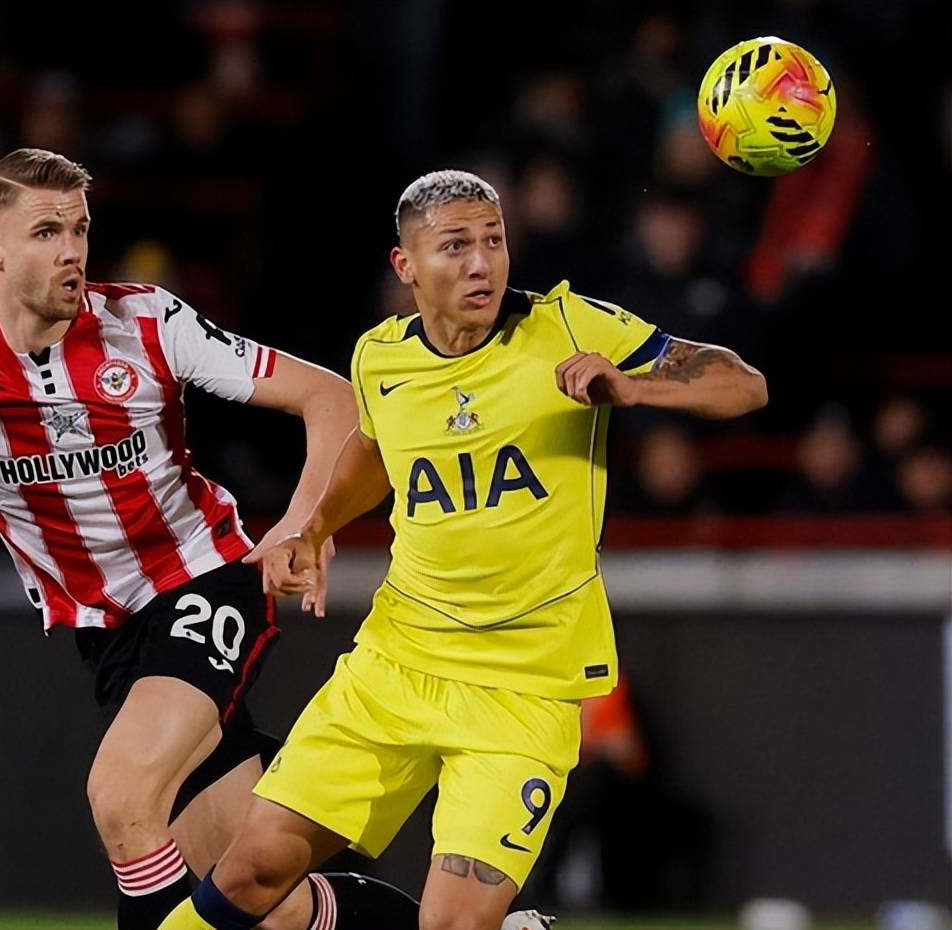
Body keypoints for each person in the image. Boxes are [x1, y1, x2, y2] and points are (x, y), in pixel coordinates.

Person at [0, 148, 418, 930]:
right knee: (264, 902)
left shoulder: (147, 323)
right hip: (111, 635)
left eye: (80, 229)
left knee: (121, 795)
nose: (72, 250)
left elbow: (330, 398)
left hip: (205, 582)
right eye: (47, 231)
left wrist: (302, 525)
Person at [158, 169, 767, 930]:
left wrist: (635, 388)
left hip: (526, 684)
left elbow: (743, 385)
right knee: (253, 869)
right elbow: (376, 452)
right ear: (406, 265)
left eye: (494, 241)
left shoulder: (571, 326)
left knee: (451, 925)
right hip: (398, 662)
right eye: (455, 246)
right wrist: (313, 526)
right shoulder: (380, 357)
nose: (482, 263)